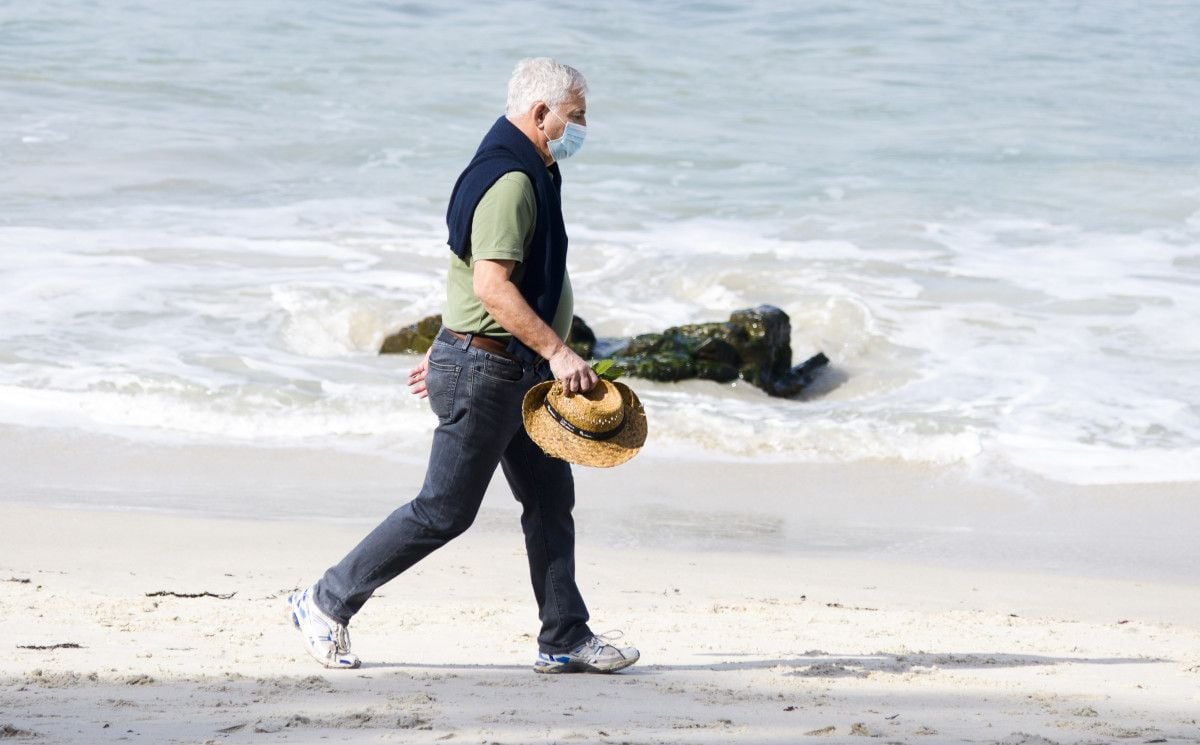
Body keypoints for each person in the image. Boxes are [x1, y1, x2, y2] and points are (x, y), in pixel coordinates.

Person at [288, 57, 639, 675]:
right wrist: (550, 350)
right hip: (490, 370)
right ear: (541, 114)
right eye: (575, 117)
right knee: (444, 510)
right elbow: (490, 284)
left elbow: (464, 272)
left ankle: (564, 637)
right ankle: (324, 600)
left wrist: (450, 343)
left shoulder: (529, 167)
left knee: (551, 502)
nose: (582, 129)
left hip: (508, 368)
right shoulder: (511, 181)